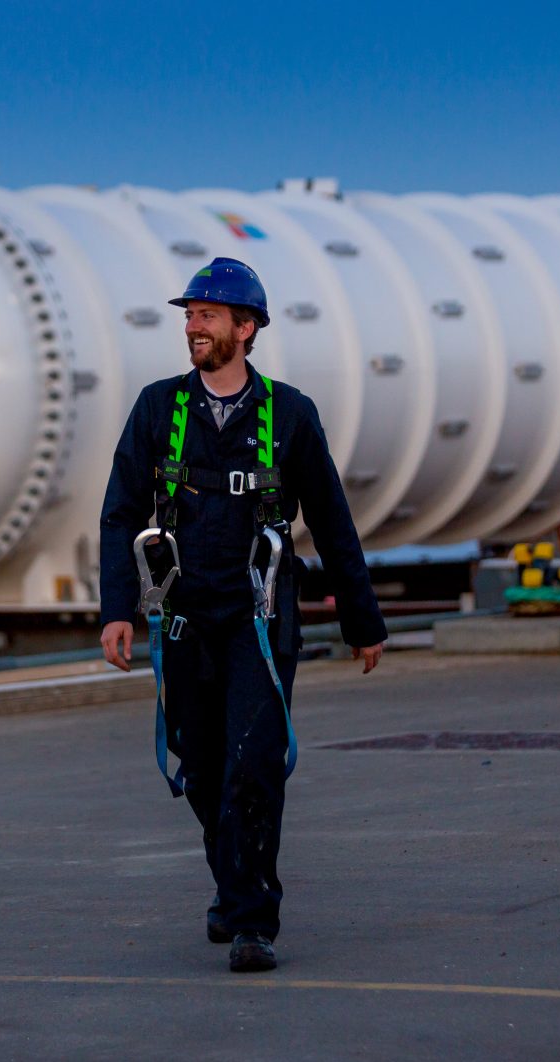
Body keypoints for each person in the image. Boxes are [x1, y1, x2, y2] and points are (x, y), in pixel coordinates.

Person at [99, 256, 387, 972]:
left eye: (207, 315)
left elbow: (332, 520)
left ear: (246, 327)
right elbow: (120, 514)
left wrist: (363, 620)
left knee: (253, 767)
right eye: (190, 316)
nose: (193, 326)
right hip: (184, 618)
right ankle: (233, 889)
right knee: (201, 771)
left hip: (259, 621)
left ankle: (253, 920)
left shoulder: (290, 415)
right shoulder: (158, 409)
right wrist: (117, 610)